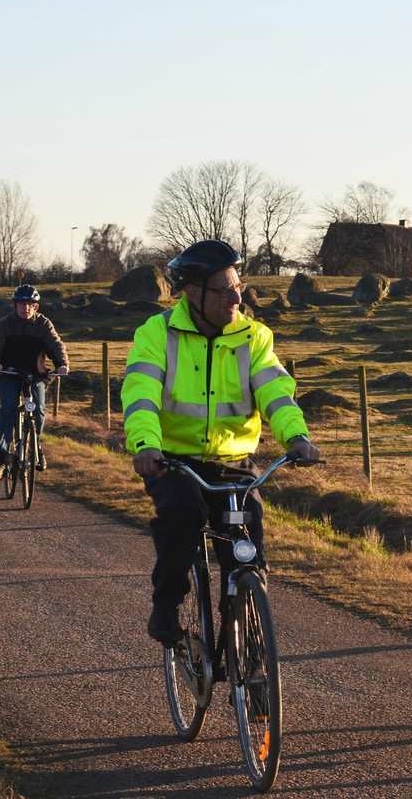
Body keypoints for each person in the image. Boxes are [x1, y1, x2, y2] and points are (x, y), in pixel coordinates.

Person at [121, 239, 320, 644]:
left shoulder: (254, 337)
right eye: (225, 288)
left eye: (238, 285)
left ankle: (248, 636)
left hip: (235, 463)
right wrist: (146, 445)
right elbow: (141, 392)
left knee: (248, 544)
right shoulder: (157, 333)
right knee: (182, 513)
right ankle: (166, 607)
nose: (237, 296)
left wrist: (296, 436)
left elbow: (275, 394)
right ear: (193, 292)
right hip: (174, 460)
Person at [0, 284, 69, 479]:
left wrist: (62, 364)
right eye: (22, 304)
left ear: (36, 307)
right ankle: (3, 457)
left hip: (35, 375)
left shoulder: (44, 324)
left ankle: (35, 446)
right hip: (8, 374)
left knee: (38, 409)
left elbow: (56, 345)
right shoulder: (5, 324)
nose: (26, 308)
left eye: (30, 304)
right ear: (15, 306)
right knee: (9, 407)